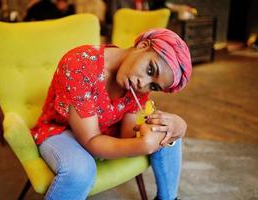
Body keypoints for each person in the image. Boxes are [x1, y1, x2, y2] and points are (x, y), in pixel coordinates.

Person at [30, 28, 192, 200]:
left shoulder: (137, 84)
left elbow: (126, 135)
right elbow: (92, 140)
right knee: (80, 171)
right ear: (143, 45)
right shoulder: (79, 65)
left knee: (167, 132)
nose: (143, 84)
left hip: (106, 130)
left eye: (153, 86)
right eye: (151, 70)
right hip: (60, 129)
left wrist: (178, 126)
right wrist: (144, 145)